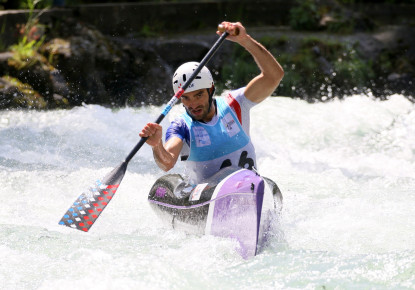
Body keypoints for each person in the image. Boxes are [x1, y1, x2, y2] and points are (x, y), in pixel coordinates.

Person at [139, 21, 284, 184]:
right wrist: (157, 145)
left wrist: (245, 40)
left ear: (211, 89)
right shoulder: (181, 126)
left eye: (198, 95)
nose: (192, 104)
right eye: (186, 98)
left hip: (248, 190)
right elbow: (167, 163)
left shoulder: (235, 105)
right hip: (208, 203)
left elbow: (274, 76)